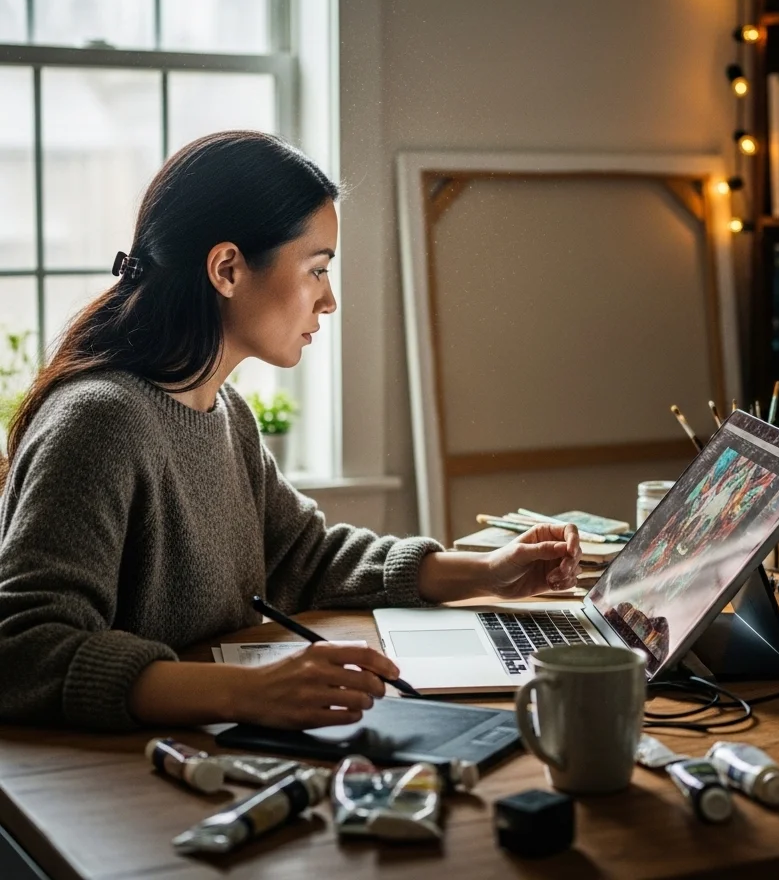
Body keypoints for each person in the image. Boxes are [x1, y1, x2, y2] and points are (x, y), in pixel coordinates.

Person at [0, 131, 580, 732]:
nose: (328, 300)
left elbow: (305, 555)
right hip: (112, 783)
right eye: (317, 269)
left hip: (198, 746)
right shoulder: (100, 423)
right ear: (227, 269)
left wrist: (486, 572)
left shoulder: (226, 414)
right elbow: (21, 649)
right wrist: (245, 693)